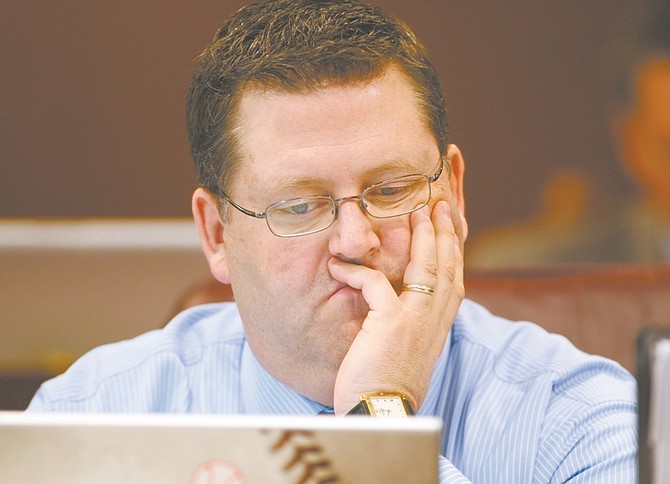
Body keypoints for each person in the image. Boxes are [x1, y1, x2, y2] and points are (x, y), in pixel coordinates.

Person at [27, 1, 636, 481]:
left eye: (392, 189)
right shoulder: (90, 417)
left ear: (453, 191)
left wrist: (378, 421)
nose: (356, 239)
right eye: (299, 205)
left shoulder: (580, 419)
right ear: (216, 232)